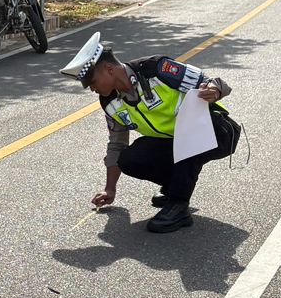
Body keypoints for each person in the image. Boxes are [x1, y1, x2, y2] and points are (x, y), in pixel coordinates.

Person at [60, 31, 239, 232]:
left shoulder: (156, 69)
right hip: (175, 142)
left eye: (92, 82)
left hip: (217, 132)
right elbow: (117, 144)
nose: (92, 89)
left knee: (185, 138)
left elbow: (213, 82)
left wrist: (214, 90)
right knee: (129, 158)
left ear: (109, 69)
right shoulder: (109, 102)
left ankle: (179, 205)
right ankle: (176, 187)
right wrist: (110, 188)